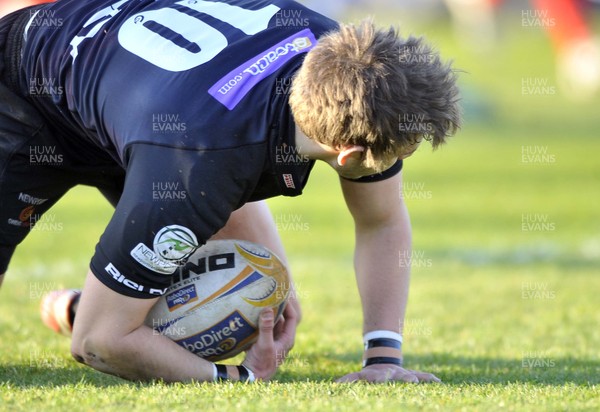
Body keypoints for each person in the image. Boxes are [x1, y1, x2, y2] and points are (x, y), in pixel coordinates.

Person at [0, 0, 460, 383]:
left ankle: (90, 304)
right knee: (113, 328)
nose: (405, 158)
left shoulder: (352, 68)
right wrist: (239, 380)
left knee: (259, 287)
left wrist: (382, 359)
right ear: (348, 153)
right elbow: (98, 346)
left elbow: (381, 219)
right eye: (407, 149)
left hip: (148, 101)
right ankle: (100, 307)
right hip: (22, 85)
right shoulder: (199, 164)